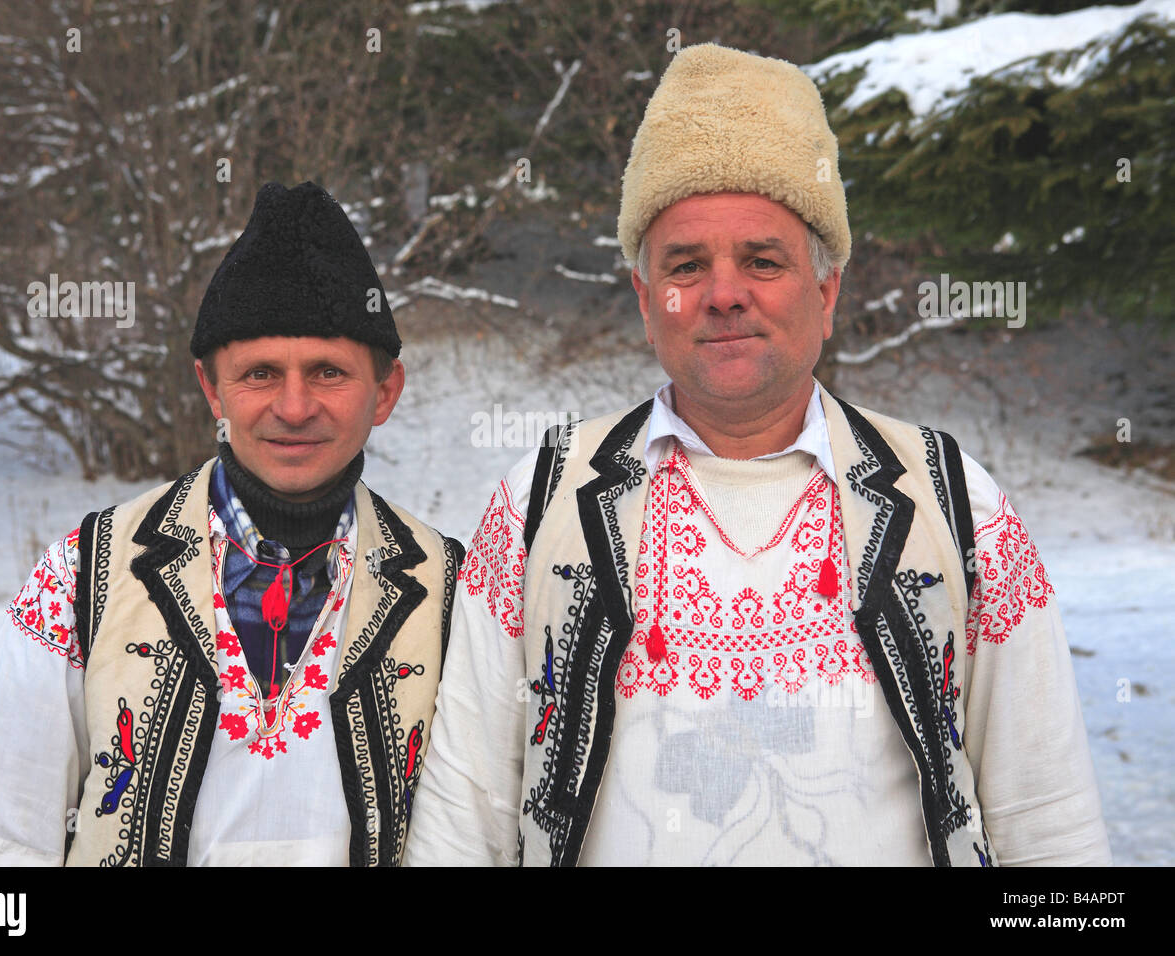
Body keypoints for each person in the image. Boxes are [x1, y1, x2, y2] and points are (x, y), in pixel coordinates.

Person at [404, 45, 1110, 866]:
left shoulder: (953, 502)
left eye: (763, 260)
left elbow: (1048, 820)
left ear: (826, 290)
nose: (724, 292)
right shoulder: (544, 503)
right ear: (645, 300)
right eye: (686, 264)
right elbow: (466, 817)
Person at [0, 180, 464, 866]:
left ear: (385, 392)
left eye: (328, 372)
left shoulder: (456, 593)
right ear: (213, 388)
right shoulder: (85, 578)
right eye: (260, 373)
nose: (294, 407)